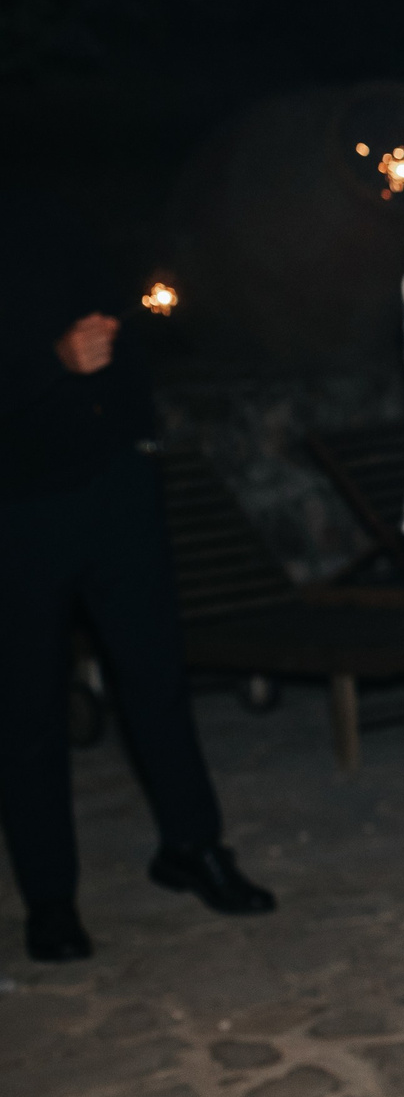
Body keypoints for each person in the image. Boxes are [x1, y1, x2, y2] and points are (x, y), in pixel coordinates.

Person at [0, 190, 277, 962]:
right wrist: (46, 365)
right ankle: (50, 898)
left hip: (114, 492)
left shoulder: (47, 212)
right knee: (28, 708)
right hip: (16, 509)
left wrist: (137, 442)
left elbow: (117, 323)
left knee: (155, 677)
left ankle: (193, 846)